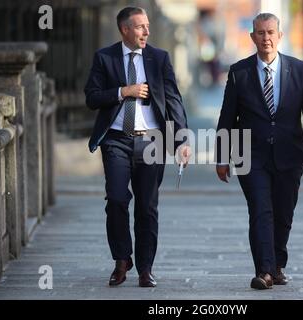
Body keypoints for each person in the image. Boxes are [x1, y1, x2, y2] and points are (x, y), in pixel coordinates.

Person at [216, 13, 303, 290]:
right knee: (260, 210)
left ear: (280, 35)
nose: (266, 38)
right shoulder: (239, 72)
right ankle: (264, 271)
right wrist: (221, 157)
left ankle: (277, 263)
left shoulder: (299, 70)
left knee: (283, 214)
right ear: (252, 37)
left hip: (290, 154)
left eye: (270, 32)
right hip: (249, 156)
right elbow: (227, 117)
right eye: (260, 33)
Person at [84, 6, 190, 287]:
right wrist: (123, 92)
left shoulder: (159, 58)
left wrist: (181, 140)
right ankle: (121, 260)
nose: (147, 31)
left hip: (152, 140)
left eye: (147, 26)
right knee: (117, 199)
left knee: (147, 207)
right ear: (125, 29)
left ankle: (145, 268)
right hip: (117, 139)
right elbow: (92, 97)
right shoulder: (104, 58)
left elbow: (174, 100)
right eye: (141, 26)